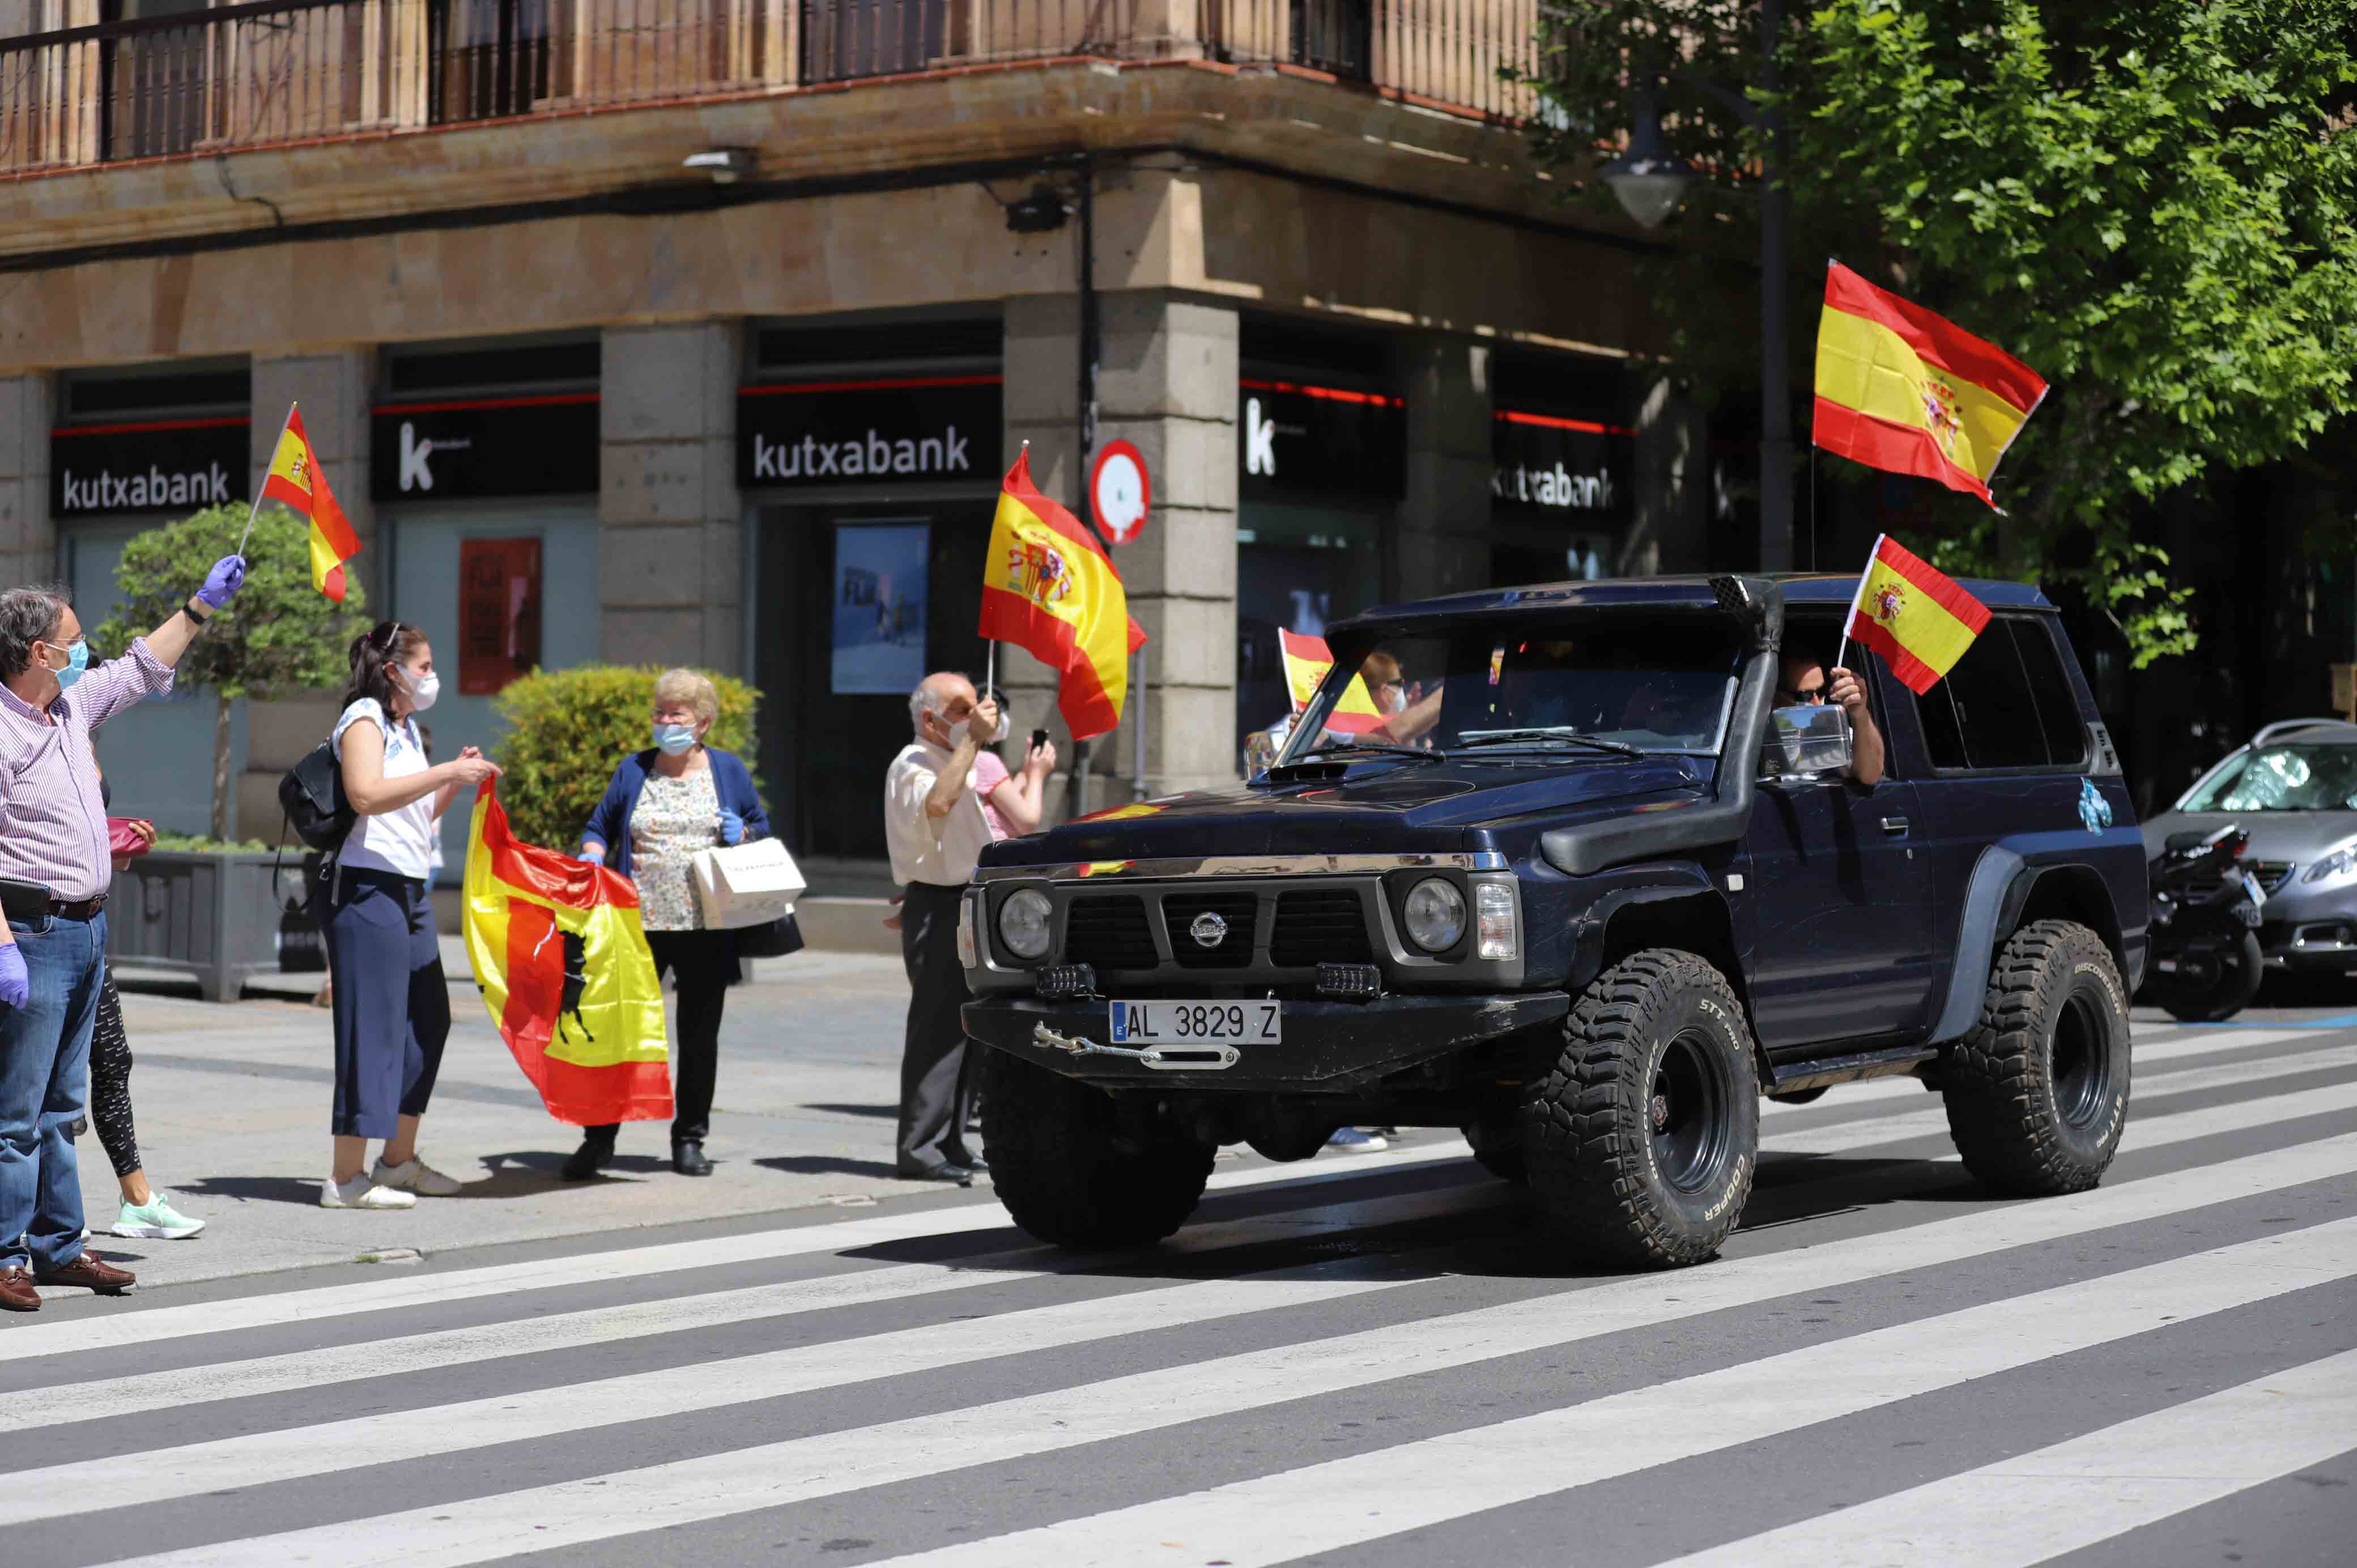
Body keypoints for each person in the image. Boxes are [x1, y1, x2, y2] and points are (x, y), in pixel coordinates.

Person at [0, 556, 245, 1311]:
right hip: (32, 934)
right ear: (39, 653)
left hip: (85, 932)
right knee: (14, 1116)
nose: (86, 651)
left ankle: (60, 1247)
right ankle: (5, 1255)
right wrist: (2, 944)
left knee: (60, 1109)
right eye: (73, 642)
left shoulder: (70, 708)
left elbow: (141, 666)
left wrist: (200, 608)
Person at [567, 668, 772, 1180]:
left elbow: (761, 826)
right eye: (659, 713)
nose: (664, 722)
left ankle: (689, 1138)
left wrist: (741, 831)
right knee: (621, 1033)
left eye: (675, 714)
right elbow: (600, 826)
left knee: (700, 1038)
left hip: (708, 925)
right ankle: (599, 1139)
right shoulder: (634, 770)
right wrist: (593, 855)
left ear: (701, 723)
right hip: (637, 925)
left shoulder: (727, 770)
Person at [322, 621, 500, 1211]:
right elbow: (366, 795)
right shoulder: (365, 718)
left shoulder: (402, 728)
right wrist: (447, 771)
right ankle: (346, 1177)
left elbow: (411, 817)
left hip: (408, 887)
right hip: (369, 888)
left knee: (428, 1018)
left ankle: (397, 1160)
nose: (431, 677)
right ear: (393, 669)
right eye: (423, 667)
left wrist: (450, 781)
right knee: (371, 1028)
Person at [883, 672, 1007, 1184]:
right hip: (939, 904)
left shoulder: (953, 757)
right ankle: (919, 1146)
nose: (972, 715)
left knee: (969, 1029)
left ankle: (951, 1139)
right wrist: (974, 740)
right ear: (930, 720)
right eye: (960, 710)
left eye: (974, 706)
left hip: (970, 898)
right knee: (937, 1028)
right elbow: (937, 804)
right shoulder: (912, 764)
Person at [88, 792, 205, 1239]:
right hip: (34, 932)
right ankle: (48, 1211)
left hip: (87, 931)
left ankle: (137, 1200)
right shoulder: (20, 728)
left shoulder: (76, 728)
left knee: (113, 1061)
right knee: (46, 1084)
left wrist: (119, 846)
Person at [1776, 650, 1886, 786]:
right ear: (1775, 697)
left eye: (1822, 692)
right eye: (1806, 695)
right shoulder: (1749, 737)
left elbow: (1870, 775)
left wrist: (1860, 715)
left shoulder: (1832, 732)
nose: (1817, 703)